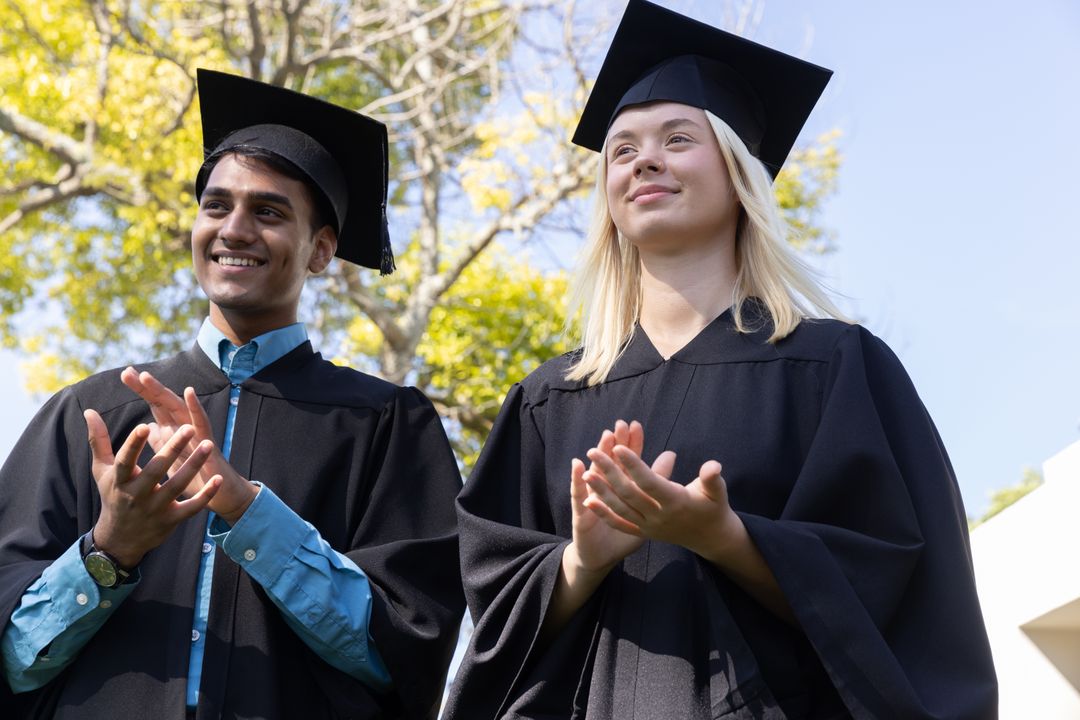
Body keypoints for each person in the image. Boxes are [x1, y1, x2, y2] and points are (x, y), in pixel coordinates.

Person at [442, 1, 997, 718]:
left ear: (739, 173)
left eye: (678, 139)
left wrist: (729, 538)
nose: (645, 159)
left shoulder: (835, 369)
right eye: (622, 149)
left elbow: (907, 591)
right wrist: (581, 561)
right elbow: (495, 619)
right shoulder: (550, 401)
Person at [0, 69, 464, 719]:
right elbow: (12, 661)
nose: (234, 229)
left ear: (322, 250)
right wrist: (111, 549)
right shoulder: (91, 415)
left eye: (268, 212)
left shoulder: (386, 425)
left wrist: (248, 511)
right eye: (216, 206)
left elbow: (406, 651)